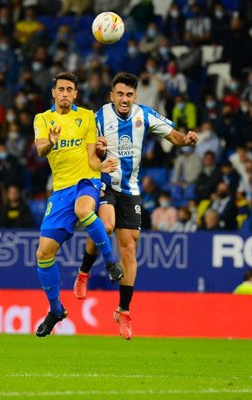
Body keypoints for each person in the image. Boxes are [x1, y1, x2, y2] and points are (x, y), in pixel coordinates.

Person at [74, 72, 198, 340]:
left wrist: (186, 140)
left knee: (129, 249)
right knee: (105, 225)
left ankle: (124, 310)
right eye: (120, 94)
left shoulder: (145, 115)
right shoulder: (98, 117)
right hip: (104, 182)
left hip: (131, 190)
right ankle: (84, 271)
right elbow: (87, 151)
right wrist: (98, 149)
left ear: (135, 97)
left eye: (129, 95)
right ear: (112, 96)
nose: (124, 99)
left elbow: (173, 136)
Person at [33, 72, 121, 338]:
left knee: (84, 211)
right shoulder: (43, 119)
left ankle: (110, 261)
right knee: (43, 255)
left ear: (75, 94)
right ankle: (56, 310)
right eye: (60, 89)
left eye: (70, 89)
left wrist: (102, 163)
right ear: (53, 92)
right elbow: (40, 150)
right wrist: (51, 141)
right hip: (60, 190)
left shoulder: (86, 116)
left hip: (86, 181)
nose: (65, 93)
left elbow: (92, 159)